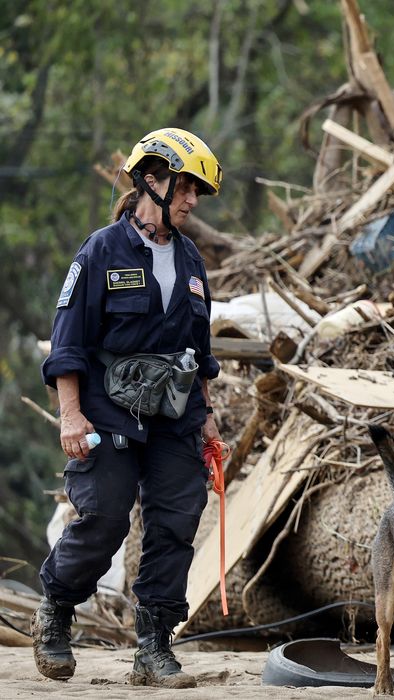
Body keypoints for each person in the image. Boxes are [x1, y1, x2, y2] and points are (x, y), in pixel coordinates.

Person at [33, 128, 224, 689]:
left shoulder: (191, 261)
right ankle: (58, 607)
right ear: (151, 179)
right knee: (107, 516)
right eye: (186, 187)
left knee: (175, 524)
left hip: (175, 417)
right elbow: (67, 344)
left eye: (197, 192)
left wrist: (207, 417)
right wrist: (71, 415)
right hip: (107, 414)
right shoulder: (99, 252)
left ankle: (155, 647)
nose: (191, 200)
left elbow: (201, 353)